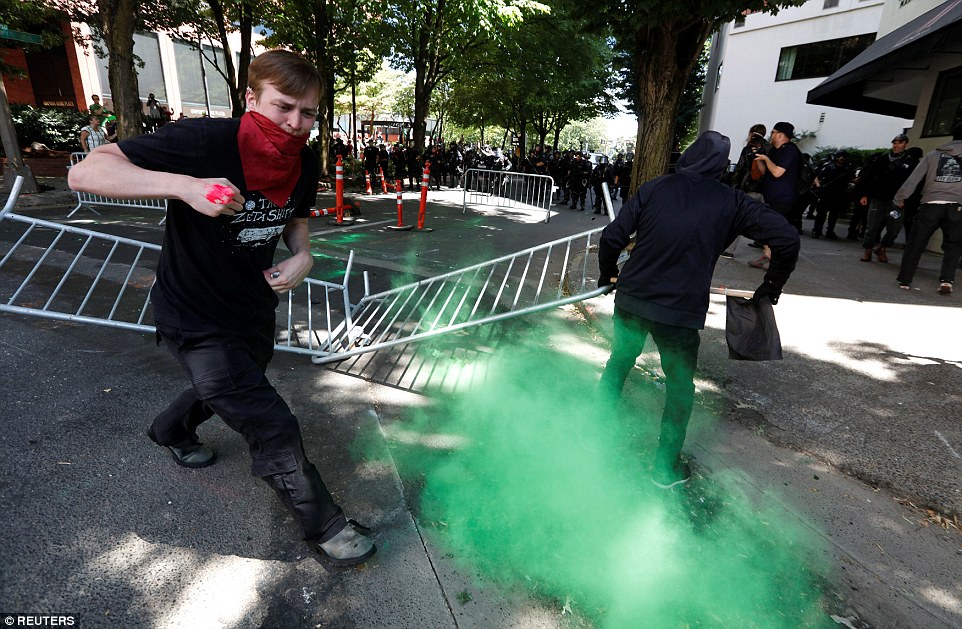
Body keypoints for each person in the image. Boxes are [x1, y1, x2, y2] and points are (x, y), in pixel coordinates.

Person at [67, 49, 376, 567]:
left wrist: (303, 254)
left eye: (308, 113)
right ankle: (326, 526)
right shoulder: (205, 140)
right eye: (283, 107)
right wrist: (184, 187)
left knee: (232, 384)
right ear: (251, 98)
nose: (295, 123)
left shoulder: (304, 159)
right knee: (268, 420)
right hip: (191, 313)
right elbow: (86, 173)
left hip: (251, 308)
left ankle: (170, 431)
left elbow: (297, 217)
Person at [597, 131, 799, 488]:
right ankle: (664, 470)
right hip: (679, 312)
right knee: (679, 386)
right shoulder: (733, 201)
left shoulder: (655, 188)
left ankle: (592, 437)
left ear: (690, 155)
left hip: (633, 298)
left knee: (619, 362)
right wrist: (772, 286)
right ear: (722, 166)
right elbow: (787, 238)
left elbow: (613, 237)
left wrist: (607, 274)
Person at [893, 121, 962, 294]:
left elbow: (914, 179)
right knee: (953, 245)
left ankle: (905, 280)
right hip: (956, 207)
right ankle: (947, 281)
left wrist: (900, 198)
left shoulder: (932, 155)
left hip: (930, 205)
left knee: (916, 243)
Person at [749, 121, 801, 270]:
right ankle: (767, 256)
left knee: (771, 228)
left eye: (772, 132)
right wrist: (759, 157)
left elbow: (778, 172)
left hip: (783, 198)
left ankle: (773, 259)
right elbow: (766, 172)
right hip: (771, 197)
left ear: (780, 135)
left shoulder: (789, 150)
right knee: (766, 227)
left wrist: (766, 159)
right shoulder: (774, 150)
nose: (770, 135)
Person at [856, 134, 917, 262]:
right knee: (872, 226)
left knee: (894, 228)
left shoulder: (911, 162)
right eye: (895, 143)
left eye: (900, 143)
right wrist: (864, 194)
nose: (897, 145)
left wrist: (907, 200)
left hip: (897, 201)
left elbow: (914, 182)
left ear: (905, 144)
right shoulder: (882, 159)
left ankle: (882, 248)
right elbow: (869, 176)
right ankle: (867, 249)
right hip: (878, 199)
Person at [811, 151, 855, 241]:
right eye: (840, 156)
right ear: (836, 157)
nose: (842, 158)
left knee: (834, 214)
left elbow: (853, 180)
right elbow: (816, 177)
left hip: (839, 194)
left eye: (844, 156)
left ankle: (830, 231)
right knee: (821, 213)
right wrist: (819, 186)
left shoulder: (848, 169)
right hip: (826, 193)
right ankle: (816, 230)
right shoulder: (828, 167)